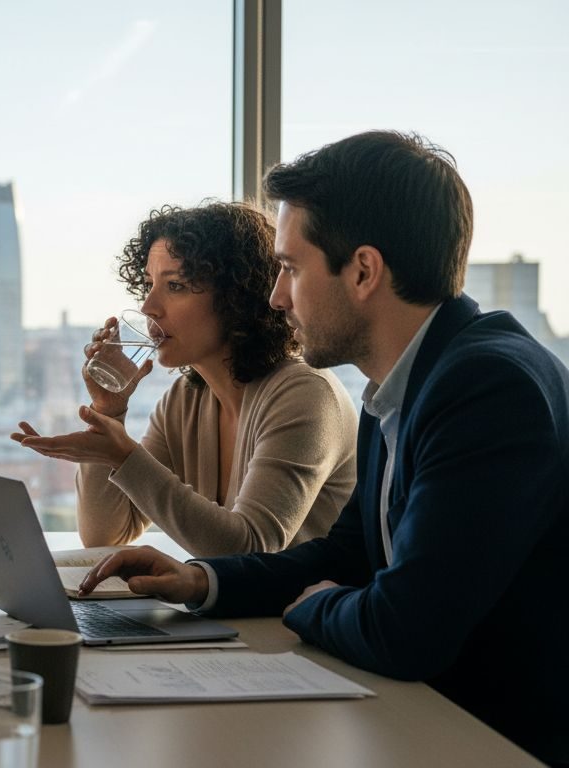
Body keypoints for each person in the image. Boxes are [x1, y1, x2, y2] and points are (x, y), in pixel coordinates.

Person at [78, 131, 569, 765]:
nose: (277, 297)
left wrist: (313, 606)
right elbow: (350, 552)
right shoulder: (402, 383)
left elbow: (404, 631)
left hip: (493, 741)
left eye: (290, 269)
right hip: (423, 717)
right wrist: (201, 580)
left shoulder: (487, 386)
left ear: (363, 270)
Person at [13, 202, 357, 556]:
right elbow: (105, 535)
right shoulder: (186, 399)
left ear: (236, 297)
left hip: (294, 611)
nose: (148, 306)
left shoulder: (305, 395)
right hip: (230, 613)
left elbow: (250, 550)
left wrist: (126, 456)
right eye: (148, 283)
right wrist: (108, 412)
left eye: (175, 285)